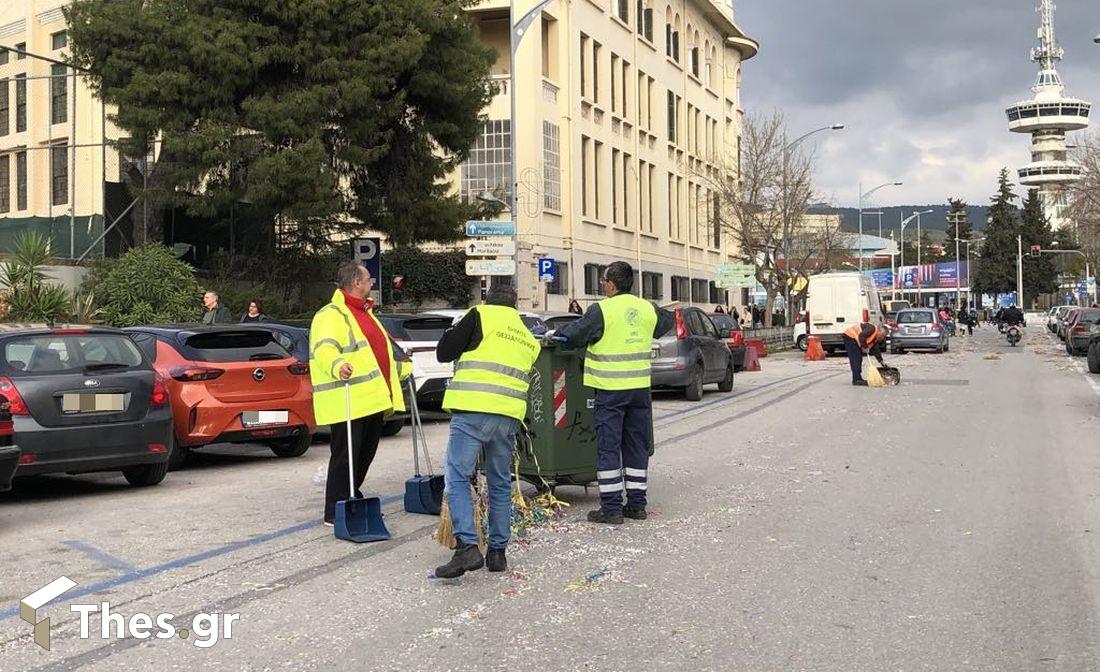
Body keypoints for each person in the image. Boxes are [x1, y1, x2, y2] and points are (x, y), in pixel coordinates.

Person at [431, 284, 541, 579]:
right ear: (513, 306)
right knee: (500, 481)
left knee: (457, 476)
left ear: (487, 300)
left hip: (473, 411)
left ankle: (467, 546)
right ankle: (497, 552)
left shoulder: (478, 315)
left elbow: (445, 353)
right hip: (507, 418)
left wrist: (453, 332)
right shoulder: (526, 335)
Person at [557, 262, 674, 524]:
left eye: (603, 281)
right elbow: (665, 322)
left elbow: (573, 336)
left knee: (609, 447)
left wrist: (558, 335)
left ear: (611, 284)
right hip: (639, 389)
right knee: (636, 445)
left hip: (611, 390)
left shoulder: (602, 310)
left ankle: (611, 509)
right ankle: (637, 505)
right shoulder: (646, 308)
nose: (602, 286)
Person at [309, 261, 405, 526]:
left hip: (372, 397)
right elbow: (324, 349)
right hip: (348, 398)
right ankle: (335, 508)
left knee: (365, 453)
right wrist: (337, 365)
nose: (371, 283)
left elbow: (374, 352)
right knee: (345, 455)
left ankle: (353, 495)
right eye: (368, 280)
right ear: (356, 283)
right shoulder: (332, 315)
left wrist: (400, 368)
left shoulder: (366, 312)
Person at [842, 321, 886, 387]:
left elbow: (876, 350)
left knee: (858, 358)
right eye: (882, 336)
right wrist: (865, 347)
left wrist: (881, 362)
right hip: (850, 336)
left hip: (854, 339)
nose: (882, 338)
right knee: (856, 358)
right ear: (879, 330)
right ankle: (856, 380)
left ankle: (858, 378)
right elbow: (861, 336)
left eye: (884, 337)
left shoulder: (875, 338)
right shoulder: (872, 328)